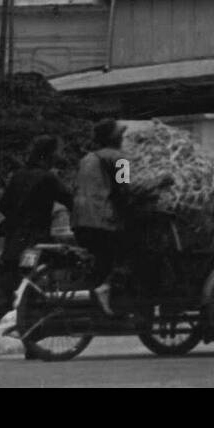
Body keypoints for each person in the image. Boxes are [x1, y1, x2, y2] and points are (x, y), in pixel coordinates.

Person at [0, 135, 72, 358]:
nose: (60, 155)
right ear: (49, 154)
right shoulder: (48, 179)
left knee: (6, 291)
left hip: (13, 242)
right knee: (38, 290)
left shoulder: (18, 176)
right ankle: (33, 342)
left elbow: (4, 205)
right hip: (34, 244)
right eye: (58, 151)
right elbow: (70, 198)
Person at [72, 119, 125, 315]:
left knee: (101, 260)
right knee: (130, 251)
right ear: (115, 138)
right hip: (102, 220)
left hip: (79, 220)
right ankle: (107, 288)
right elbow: (125, 188)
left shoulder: (86, 159)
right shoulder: (119, 158)